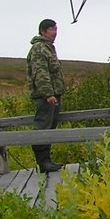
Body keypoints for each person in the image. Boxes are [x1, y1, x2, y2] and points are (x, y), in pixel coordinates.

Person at [26, 18, 65, 173]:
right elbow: (40, 74)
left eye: (56, 29)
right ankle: (43, 163)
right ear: (43, 31)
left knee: (49, 127)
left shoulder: (48, 48)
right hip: (46, 97)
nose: (55, 33)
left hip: (53, 95)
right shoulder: (39, 49)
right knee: (43, 127)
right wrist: (48, 94)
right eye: (51, 29)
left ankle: (46, 161)